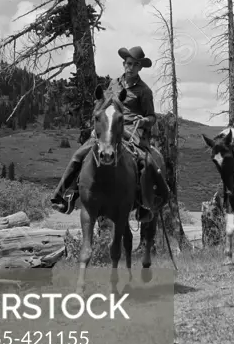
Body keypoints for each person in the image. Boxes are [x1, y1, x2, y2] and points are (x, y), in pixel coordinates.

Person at [50, 46, 171, 222]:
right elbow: (105, 103)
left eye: (135, 65)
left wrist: (144, 121)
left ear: (139, 68)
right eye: (128, 63)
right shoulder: (113, 83)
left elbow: (152, 116)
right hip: (109, 127)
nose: (131, 67)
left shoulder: (144, 91)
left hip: (132, 130)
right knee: (79, 155)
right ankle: (63, 197)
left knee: (148, 162)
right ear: (124, 64)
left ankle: (148, 202)